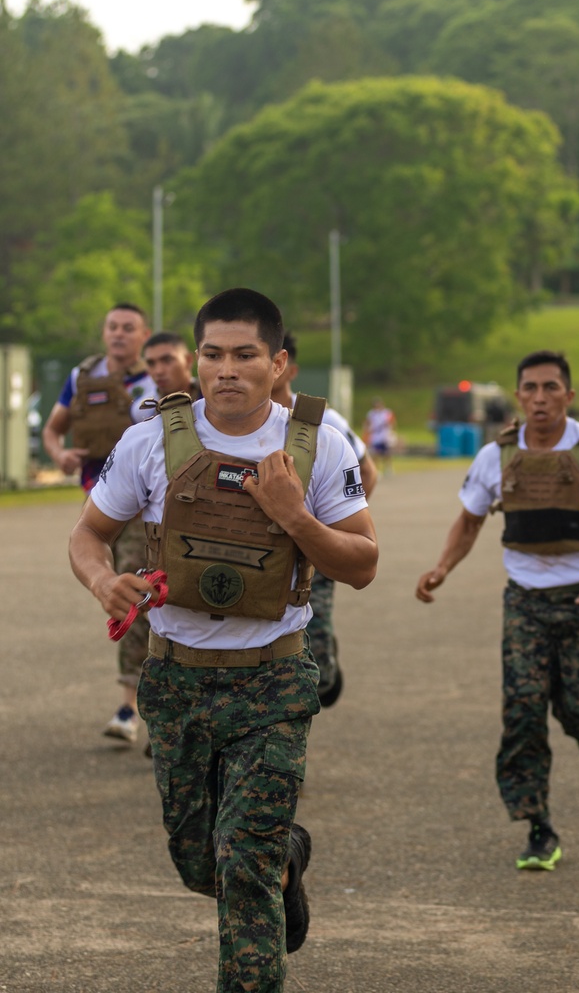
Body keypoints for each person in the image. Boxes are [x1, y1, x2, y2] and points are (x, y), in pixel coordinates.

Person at [68, 288, 378, 990]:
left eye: (245, 355)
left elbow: (362, 564)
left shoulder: (318, 444)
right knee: (198, 861)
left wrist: (294, 517)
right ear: (195, 361)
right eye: (213, 354)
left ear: (279, 363)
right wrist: (101, 583)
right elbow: (90, 535)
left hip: (272, 679)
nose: (227, 369)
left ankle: (270, 868)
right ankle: (289, 858)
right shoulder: (150, 438)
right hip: (176, 679)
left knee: (244, 861)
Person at [415, 350, 579, 871]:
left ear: (568, 395)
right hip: (523, 600)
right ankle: (536, 824)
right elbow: (470, 521)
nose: (541, 398)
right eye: (531, 389)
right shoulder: (496, 456)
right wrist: (443, 567)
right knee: (523, 708)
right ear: (518, 396)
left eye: (551, 388)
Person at [41, 302, 157, 745]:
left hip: (143, 507)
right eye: (113, 327)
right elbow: (54, 429)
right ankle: (135, 705)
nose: (119, 334)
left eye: (129, 328)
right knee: (123, 591)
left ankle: (134, 706)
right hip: (100, 500)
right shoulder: (80, 377)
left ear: (142, 335)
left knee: (134, 589)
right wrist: (59, 454)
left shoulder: (154, 383)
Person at [271, 332, 378, 707]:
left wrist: (333, 522)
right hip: (267, 548)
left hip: (313, 545)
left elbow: (369, 473)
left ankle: (323, 663)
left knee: (319, 654)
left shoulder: (322, 421)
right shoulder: (234, 421)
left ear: (286, 366)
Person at [132, 331, 200, 422]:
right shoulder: (142, 410)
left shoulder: (211, 399)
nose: (158, 371)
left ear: (188, 360)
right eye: (151, 363)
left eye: (167, 360)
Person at [362, 397, 397, 474]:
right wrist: (366, 432)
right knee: (375, 454)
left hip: (385, 436)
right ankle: (376, 469)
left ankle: (388, 468)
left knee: (387, 453)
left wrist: (392, 432)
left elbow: (392, 422)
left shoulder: (387, 413)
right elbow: (367, 423)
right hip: (376, 436)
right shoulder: (371, 413)